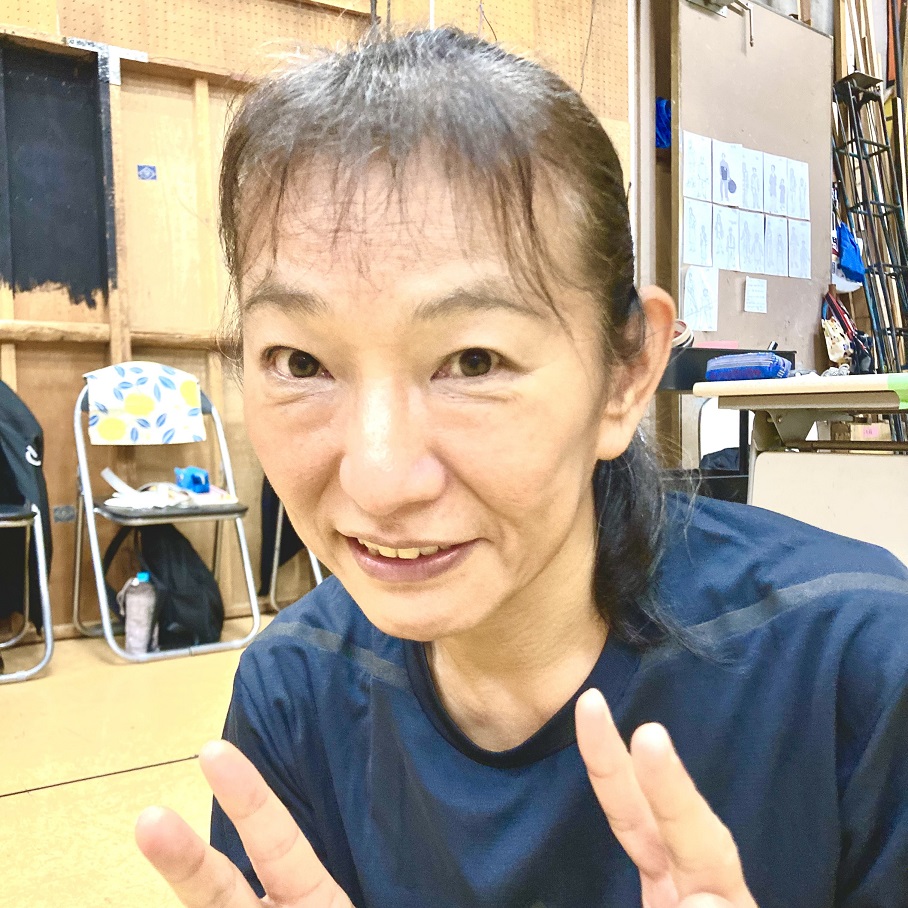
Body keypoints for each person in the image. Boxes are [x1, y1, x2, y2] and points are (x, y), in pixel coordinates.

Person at [135, 28, 908, 908]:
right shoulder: (294, 693)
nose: (380, 481)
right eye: (300, 362)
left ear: (625, 374)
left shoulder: (860, 671)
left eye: (473, 362)